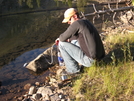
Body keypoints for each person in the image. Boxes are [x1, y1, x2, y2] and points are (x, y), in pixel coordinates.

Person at [55, 8, 105, 74]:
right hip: (100, 57)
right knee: (73, 42)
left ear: (75, 16)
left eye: (69, 20)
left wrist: (59, 39)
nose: (68, 22)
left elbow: (62, 38)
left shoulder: (76, 23)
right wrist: (69, 39)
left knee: (62, 44)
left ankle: (73, 70)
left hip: (90, 61)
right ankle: (77, 65)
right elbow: (77, 36)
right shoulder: (85, 21)